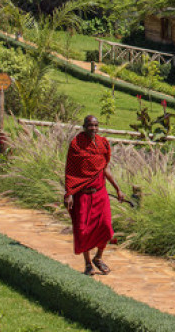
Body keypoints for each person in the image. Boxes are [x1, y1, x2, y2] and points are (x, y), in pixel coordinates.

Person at [63, 115, 120, 275]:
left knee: (106, 228)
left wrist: (117, 189)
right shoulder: (76, 145)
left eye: (95, 125)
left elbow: (105, 169)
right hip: (82, 195)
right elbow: (71, 171)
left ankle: (98, 258)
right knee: (83, 230)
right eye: (90, 125)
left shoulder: (103, 143)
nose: (93, 128)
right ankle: (88, 264)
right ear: (84, 126)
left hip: (100, 194)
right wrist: (69, 193)